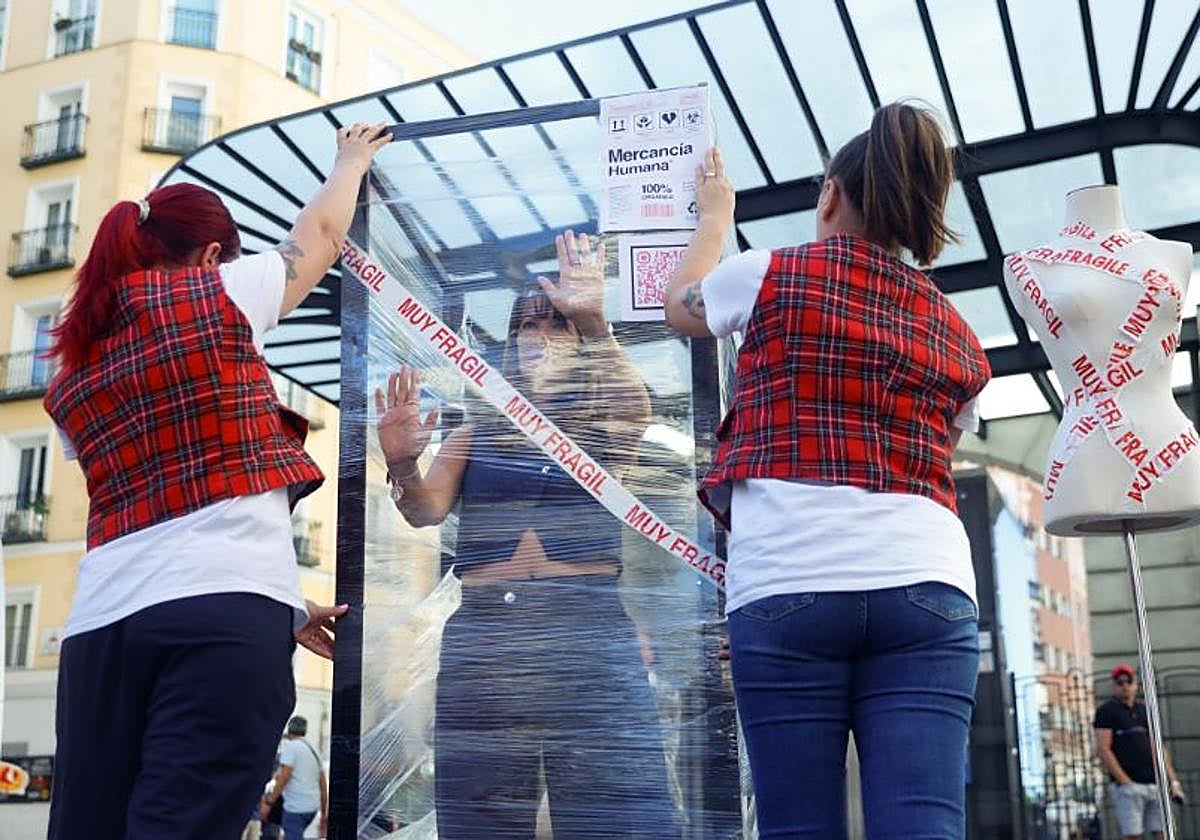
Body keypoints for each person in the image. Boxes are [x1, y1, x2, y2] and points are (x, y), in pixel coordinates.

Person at [43, 122, 392, 839]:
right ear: (209, 254)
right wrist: (351, 158)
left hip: (100, 627)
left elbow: (152, 502)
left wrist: (288, 606)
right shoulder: (224, 290)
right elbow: (323, 232)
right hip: (221, 616)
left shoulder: (72, 364)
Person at [661, 102, 992, 838]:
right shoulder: (956, 328)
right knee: (923, 826)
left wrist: (715, 216)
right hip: (929, 586)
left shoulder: (768, 272)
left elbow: (678, 309)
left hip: (790, 581)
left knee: (797, 826)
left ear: (831, 197)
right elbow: (946, 452)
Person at [375, 231, 678, 838]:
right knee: (482, 817)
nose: (538, 339)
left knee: (616, 815)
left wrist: (593, 320)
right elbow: (425, 509)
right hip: (486, 637)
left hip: (586, 630)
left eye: (554, 326)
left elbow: (637, 411)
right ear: (508, 346)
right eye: (527, 327)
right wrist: (403, 464)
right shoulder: (474, 434)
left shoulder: (598, 424)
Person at [1094, 663, 1185, 839]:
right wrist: (1125, 781)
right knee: (1133, 833)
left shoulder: (1144, 710)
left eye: (1128, 681)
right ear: (1114, 685)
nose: (1125, 685)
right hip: (1129, 784)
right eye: (1120, 682)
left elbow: (1158, 746)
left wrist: (1172, 780)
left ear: (1135, 684)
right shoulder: (1106, 712)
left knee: (1163, 830)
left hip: (1154, 782)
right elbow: (1104, 749)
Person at [262, 716, 328, 840]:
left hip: (296, 807)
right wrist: (324, 813)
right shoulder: (314, 750)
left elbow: (283, 778)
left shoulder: (291, 748)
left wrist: (269, 802)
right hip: (312, 808)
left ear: (289, 730)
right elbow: (323, 784)